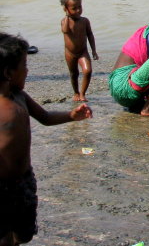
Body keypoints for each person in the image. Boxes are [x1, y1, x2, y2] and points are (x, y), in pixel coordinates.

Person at [0, 32, 92, 245]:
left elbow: (46, 117)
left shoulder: (21, 97)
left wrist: (71, 115)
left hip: (24, 180)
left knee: (24, 233)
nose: (28, 70)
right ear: (7, 72)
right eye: (24, 65)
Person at [60, 0, 98, 102]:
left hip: (82, 51)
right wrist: (67, 16)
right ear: (66, 9)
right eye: (74, 8)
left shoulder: (84, 21)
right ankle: (76, 92)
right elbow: (65, 31)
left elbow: (90, 35)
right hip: (70, 53)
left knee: (87, 71)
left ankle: (82, 93)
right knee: (74, 73)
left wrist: (94, 50)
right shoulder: (65, 22)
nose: (78, 10)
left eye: (80, 7)